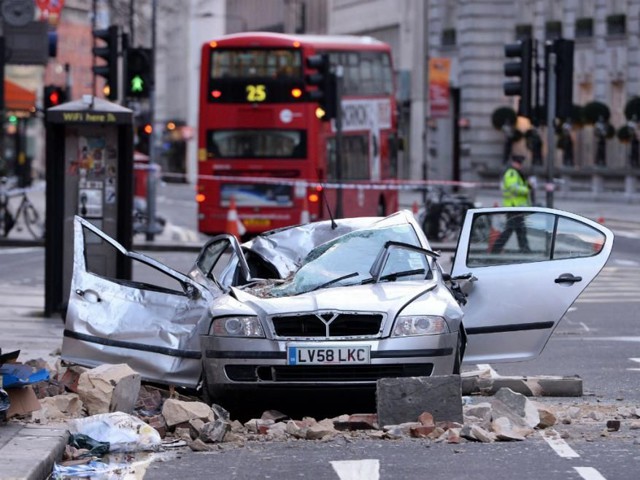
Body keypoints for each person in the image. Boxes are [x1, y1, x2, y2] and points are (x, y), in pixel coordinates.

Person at [491, 155, 532, 253]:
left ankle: (524, 249)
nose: (520, 165)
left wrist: (528, 185)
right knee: (510, 230)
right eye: (519, 163)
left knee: (520, 229)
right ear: (515, 163)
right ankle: (496, 249)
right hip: (513, 206)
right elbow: (513, 187)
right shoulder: (512, 173)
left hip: (516, 207)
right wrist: (527, 189)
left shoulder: (516, 173)